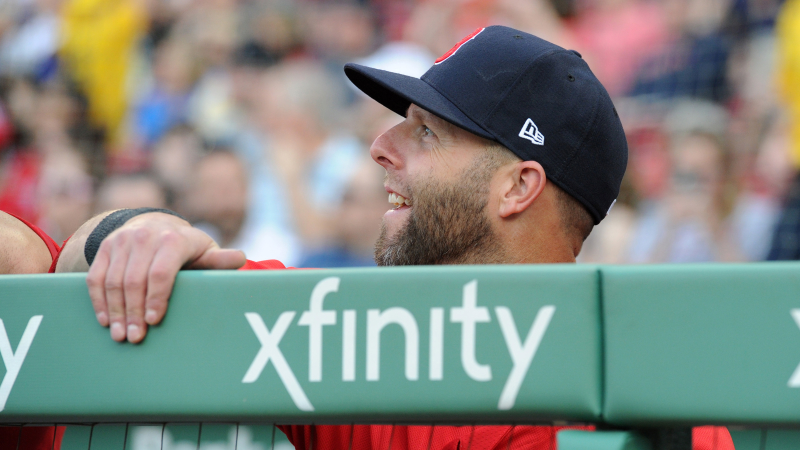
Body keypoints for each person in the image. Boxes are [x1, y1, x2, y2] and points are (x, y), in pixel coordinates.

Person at [52, 26, 733, 450]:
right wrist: (144, 232)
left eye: (427, 132)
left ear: (518, 188)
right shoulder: (376, 338)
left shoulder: (656, 410)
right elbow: (74, 253)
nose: (379, 147)